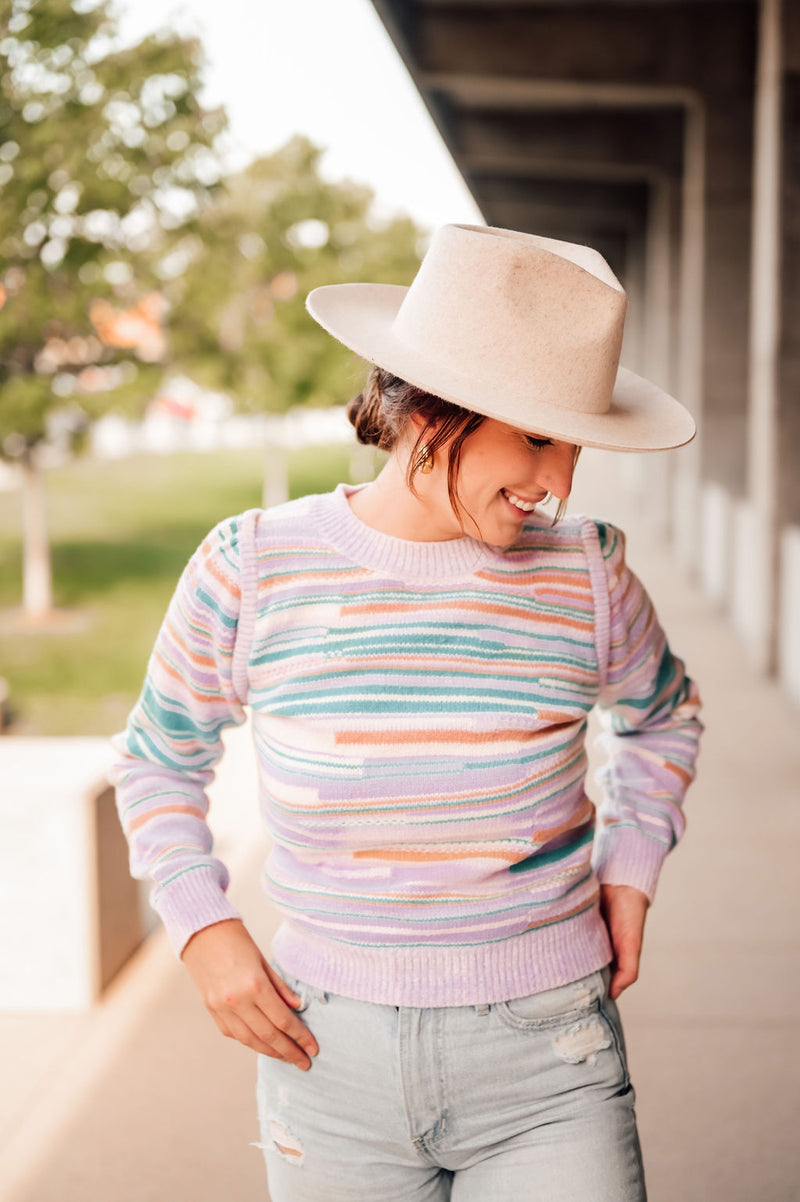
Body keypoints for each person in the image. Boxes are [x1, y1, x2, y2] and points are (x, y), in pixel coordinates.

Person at [108, 223, 704, 1201]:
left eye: (573, 445)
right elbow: (157, 756)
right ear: (429, 412)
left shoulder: (586, 571)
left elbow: (664, 717)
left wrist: (630, 868)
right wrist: (199, 924)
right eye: (536, 435)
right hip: (324, 1064)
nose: (557, 483)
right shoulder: (251, 566)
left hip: (548, 1061)